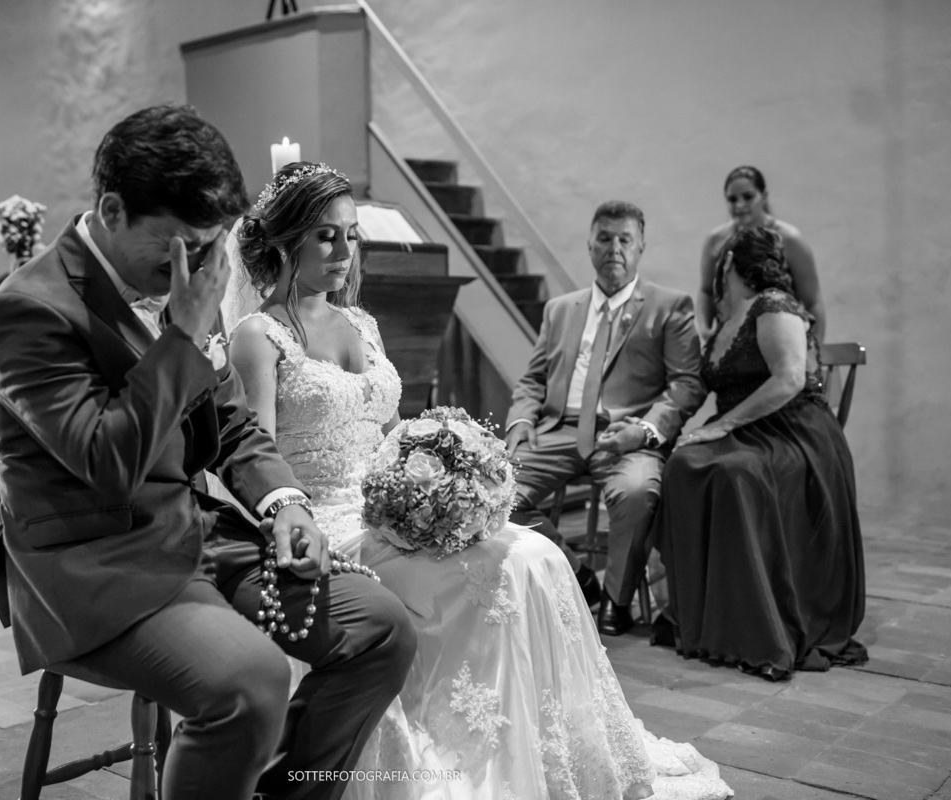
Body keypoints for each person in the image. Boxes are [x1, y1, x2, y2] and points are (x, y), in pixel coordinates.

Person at [229, 162, 731, 800]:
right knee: (481, 579)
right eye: (325, 236)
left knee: (534, 555)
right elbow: (257, 452)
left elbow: (388, 429)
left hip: (388, 503)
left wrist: (439, 470)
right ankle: (476, 764)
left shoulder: (362, 324)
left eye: (351, 236)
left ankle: (539, 754)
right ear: (286, 239)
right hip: (324, 517)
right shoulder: (259, 335)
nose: (343, 251)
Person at [0, 106, 415, 800]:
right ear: (113, 209)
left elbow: (233, 422)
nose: (203, 264)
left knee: (382, 629)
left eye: (211, 244)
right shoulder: (29, 310)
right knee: (251, 680)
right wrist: (182, 334)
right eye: (180, 243)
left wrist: (286, 503)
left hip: (198, 537)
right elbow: (107, 464)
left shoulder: (185, 274)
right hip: (94, 564)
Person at [653, 227, 866, 681]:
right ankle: (699, 615)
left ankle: (755, 624)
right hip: (746, 429)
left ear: (730, 261)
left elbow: (788, 379)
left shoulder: (774, 304)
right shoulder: (726, 318)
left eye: (717, 258)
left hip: (794, 432)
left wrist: (723, 425)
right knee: (685, 464)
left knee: (734, 473)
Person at [504, 202, 705, 636]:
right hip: (558, 429)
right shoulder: (560, 310)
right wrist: (520, 423)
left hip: (626, 435)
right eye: (605, 238)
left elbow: (687, 384)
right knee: (492, 488)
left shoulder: (669, 307)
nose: (614, 248)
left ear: (640, 248)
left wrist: (643, 430)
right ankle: (577, 577)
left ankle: (618, 599)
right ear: (590, 245)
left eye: (624, 239)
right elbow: (533, 379)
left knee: (636, 491)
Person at [698, 166, 825, 342]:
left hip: (779, 338)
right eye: (732, 199)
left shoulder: (789, 240)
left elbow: (813, 302)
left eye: (748, 197)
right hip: (730, 341)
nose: (739, 205)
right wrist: (704, 328)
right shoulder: (717, 240)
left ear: (764, 196)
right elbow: (706, 291)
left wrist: (814, 351)